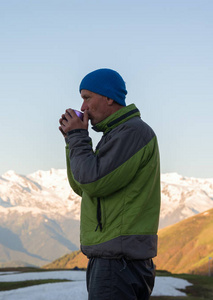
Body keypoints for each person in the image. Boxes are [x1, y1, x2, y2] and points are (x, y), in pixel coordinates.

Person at [59, 68, 161, 300]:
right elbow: (82, 187)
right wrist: (71, 141)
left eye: (87, 97)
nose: (83, 107)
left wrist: (78, 138)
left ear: (108, 97)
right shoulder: (117, 134)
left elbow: (93, 182)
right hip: (115, 259)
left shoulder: (131, 133)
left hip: (118, 263)